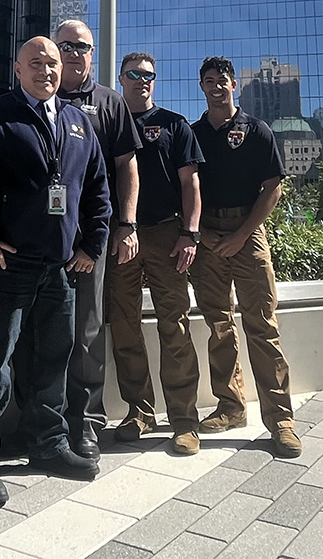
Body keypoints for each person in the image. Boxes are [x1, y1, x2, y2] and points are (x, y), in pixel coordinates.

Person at [0, 36, 112, 508]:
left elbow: (98, 189)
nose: (46, 70)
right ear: (17, 70)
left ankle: (49, 444)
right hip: (8, 265)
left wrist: (91, 246)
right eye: (35, 62)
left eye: (53, 63)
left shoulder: (80, 122)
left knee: (52, 361)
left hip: (59, 266)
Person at [10, 19, 138, 457]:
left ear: (92, 52)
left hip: (90, 237)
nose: (73, 54)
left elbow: (125, 170)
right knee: (31, 329)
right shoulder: (36, 96)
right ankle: (35, 418)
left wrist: (126, 225)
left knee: (86, 329)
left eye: (82, 46)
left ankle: (85, 420)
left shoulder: (110, 102)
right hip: (37, 238)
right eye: (65, 45)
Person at [187, 56, 302, 459]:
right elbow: (186, 185)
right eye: (208, 81)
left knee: (262, 325)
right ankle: (231, 407)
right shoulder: (193, 132)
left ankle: (281, 420)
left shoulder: (256, 130)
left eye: (222, 80)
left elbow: (273, 188)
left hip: (248, 235)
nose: (216, 86)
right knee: (218, 325)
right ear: (200, 86)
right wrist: (202, 233)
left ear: (234, 85)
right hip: (207, 239)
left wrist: (240, 235)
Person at [106, 52, 206, 455]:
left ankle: (184, 420)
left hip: (167, 234)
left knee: (175, 324)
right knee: (124, 324)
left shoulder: (174, 125)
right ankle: (140, 411)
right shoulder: (107, 121)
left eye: (148, 75)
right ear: (120, 78)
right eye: (134, 74)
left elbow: (191, 184)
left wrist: (190, 233)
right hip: (120, 237)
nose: (142, 80)